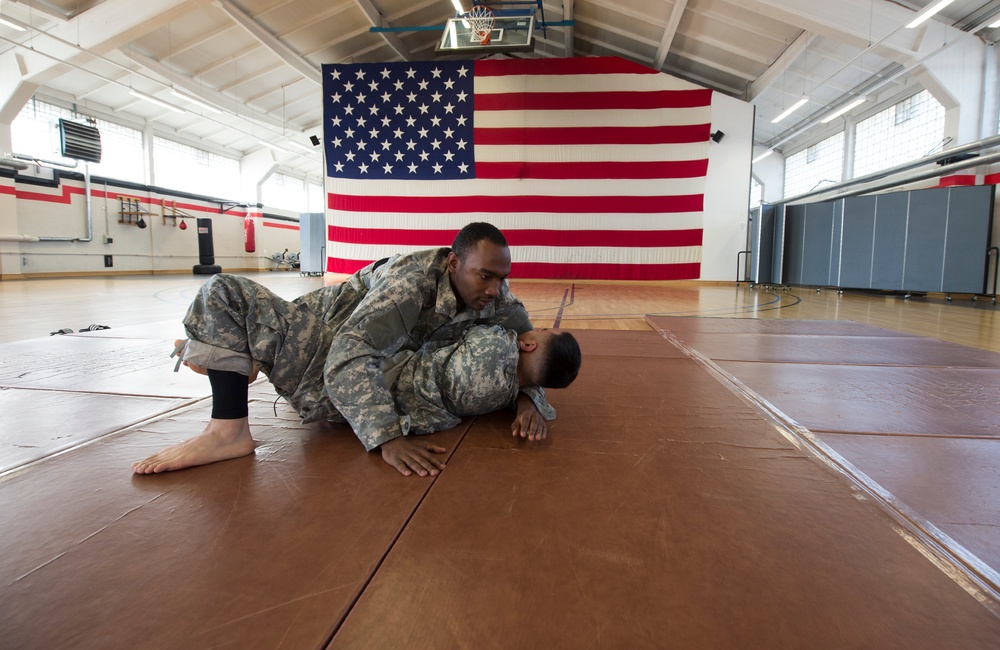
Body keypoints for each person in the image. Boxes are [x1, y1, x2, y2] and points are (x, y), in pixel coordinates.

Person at [132, 223, 563, 475]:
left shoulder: (495, 295)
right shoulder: (409, 285)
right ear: (453, 263)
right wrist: (386, 437)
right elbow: (348, 355)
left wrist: (527, 399)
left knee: (222, 336)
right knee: (223, 293)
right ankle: (227, 430)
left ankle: (229, 354)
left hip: (380, 358)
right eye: (484, 276)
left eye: (501, 278)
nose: (494, 290)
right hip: (324, 339)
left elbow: (531, 347)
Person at [131, 324, 581, 476]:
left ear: (527, 345)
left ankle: (221, 363)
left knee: (234, 303)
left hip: (357, 382)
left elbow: (488, 319)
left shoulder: (495, 342)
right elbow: (527, 380)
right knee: (294, 372)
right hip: (350, 412)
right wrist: (528, 402)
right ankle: (234, 361)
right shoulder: (502, 392)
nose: (533, 327)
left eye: (541, 333)